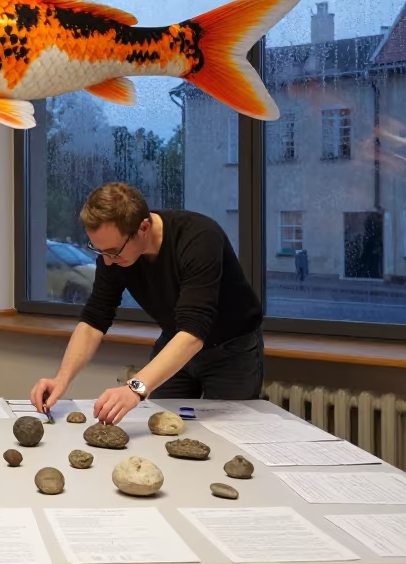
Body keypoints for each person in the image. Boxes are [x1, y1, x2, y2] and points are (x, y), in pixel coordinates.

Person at [30, 182, 265, 425]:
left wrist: (135, 388)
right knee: (159, 426)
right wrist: (61, 379)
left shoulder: (199, 238)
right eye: (99, 251)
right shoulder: (113, 255)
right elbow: (94, 319)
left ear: (144, 227)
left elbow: (194, 331)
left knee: (227, 437)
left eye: (113, 252)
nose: (107, 262)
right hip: (175, 341)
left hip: (231, 350)